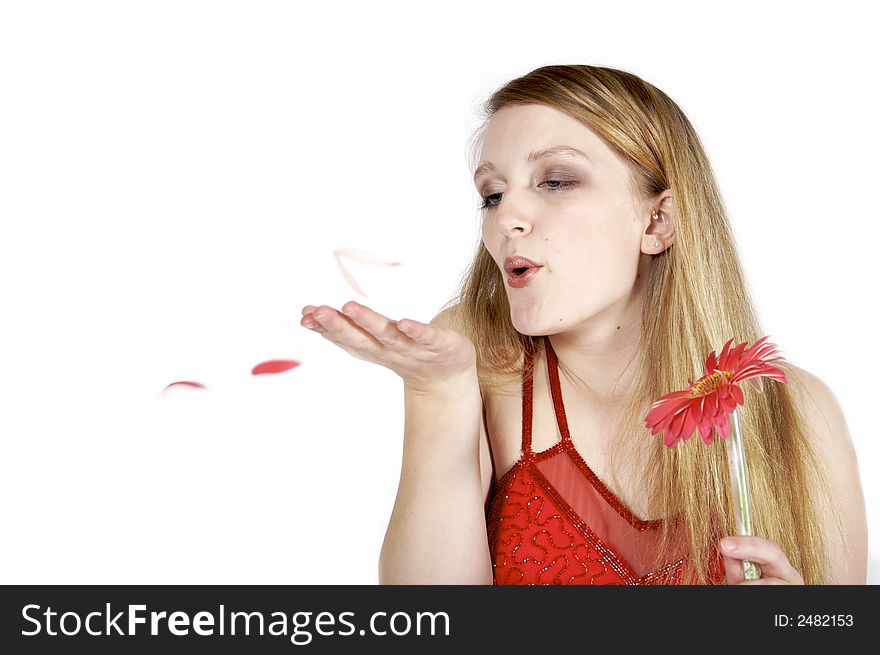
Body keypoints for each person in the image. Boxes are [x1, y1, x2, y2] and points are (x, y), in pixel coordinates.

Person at [300, 65, 867, 585]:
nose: (506, 219)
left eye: (556, 180)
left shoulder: (797, 413)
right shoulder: (483, 373)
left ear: (658, 220)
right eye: (492, 195)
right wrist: (437, 394)